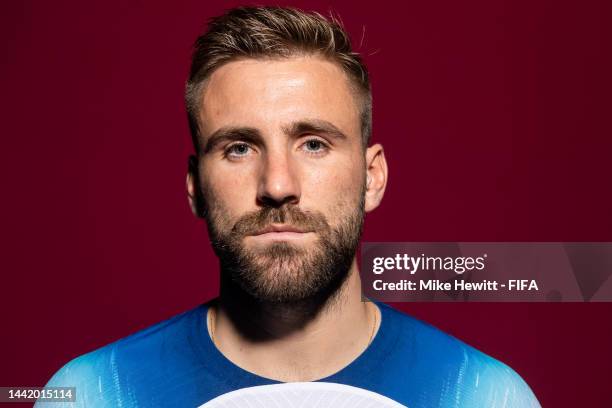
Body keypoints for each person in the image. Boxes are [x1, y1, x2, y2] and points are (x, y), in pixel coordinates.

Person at [38, 6, 540, 407]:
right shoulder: (93, 394)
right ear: (195, 185)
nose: (277, 185)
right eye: (239, 148)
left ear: (372, 176)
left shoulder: (486, 396)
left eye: (314, 143)